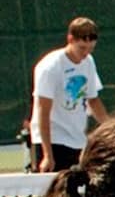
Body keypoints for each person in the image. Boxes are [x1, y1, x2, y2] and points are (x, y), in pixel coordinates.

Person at [28, 16, 108, 173]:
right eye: (82, 48)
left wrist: (112, 127)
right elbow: (43, 112)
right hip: (53, 142)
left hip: (78, 142)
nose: (85, 53)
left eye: (90, 48)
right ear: (70, 39)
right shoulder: (50, 67)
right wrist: (47, 155)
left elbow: (93, 100)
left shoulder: (88, 62)